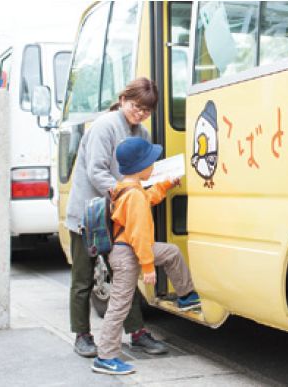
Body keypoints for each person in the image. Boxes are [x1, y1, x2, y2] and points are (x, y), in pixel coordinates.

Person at [66, 78, 168, 357]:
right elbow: (96, 172)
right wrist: (128, 193)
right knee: (83, 279)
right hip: (90, 213)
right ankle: (82, 335)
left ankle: (136, 332)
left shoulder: (143, 133)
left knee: (125, 272)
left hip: (118, 215)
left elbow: (143, 171)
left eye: (146, 110)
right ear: (123, 99)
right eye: (136, 106)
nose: (140, 113)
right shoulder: (104, 126)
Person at [92, 137, 199, 375]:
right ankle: (105, 357)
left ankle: (185, 295)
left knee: (171, 252)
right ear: (141, 166)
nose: (154, 165)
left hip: (128, 251)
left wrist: (166, 185)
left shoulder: (127, 188)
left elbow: (149, 198)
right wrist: (148, 267)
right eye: (152, 161)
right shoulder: (134, 195)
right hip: (128, 254)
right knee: (119, 306)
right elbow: (139, 235)